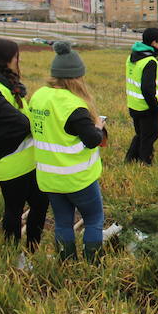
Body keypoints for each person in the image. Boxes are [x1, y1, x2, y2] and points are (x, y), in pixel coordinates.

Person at [29, 42, 105, 261]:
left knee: (62, 222)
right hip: (77, 178)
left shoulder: (39, 96)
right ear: (76, 77)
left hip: (49, 177)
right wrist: (98, 127)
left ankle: (67, 262)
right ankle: (93, 264)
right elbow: (92, 140)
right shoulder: (74, 106)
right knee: (93, 219)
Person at [0, 38, 47, 252]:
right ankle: (13, 255)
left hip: (29, 160)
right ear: (6, 59)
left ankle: (33, 250)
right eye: (16, 57)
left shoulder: (4, 81)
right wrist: (40, 125)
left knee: (41, 205)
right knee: (14, 210)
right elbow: (19, 122)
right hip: (11, 163)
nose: (18, 60)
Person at [125, 28, 158, 165]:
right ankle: (145, 162)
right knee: (150, 135)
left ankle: (130, 159)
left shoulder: (132, 56)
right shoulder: (150, 61)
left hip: (134, 104)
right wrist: (155, 107)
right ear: (154, 42)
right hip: (147, 107)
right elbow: (148, 88)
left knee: (141, 134)